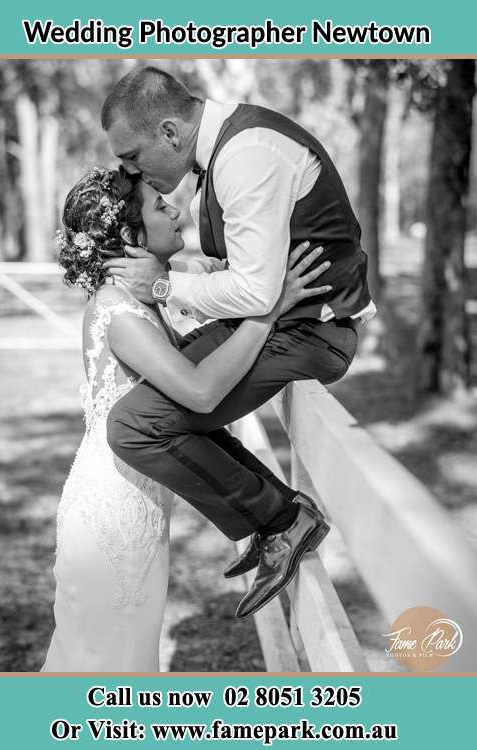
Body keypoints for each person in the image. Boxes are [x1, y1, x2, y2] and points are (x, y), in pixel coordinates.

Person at [100, 66, 377, 620]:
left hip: (308, 330)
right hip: (279, 322)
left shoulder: (247, 154)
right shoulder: (222, 151)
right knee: (163, 398)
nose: (129, 170)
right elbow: (249, 273)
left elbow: (255, 290)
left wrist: (161, 283)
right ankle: (275, 515)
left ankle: (282, 519)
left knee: (136, 426)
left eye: (132, 155)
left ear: (171, 133)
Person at [41, 166, 330, 671]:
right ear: (132, 237)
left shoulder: (135, 301)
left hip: (137, 497)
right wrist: (268, 312)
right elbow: (199, 392)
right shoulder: (118, 311)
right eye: (159, 205)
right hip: (113, 512)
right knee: (107, 662)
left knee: (121, 657)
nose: (175, 209)